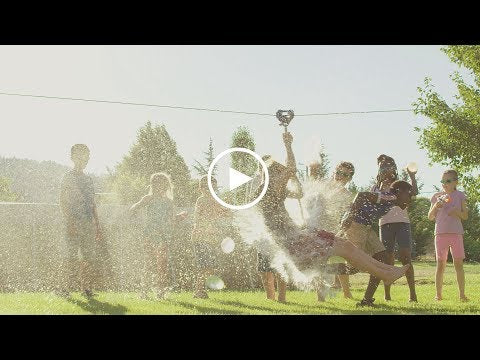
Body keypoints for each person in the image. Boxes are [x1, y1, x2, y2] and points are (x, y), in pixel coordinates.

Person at [253, 132, 410, 296]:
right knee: (346, 251)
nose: (282, 176)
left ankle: (388, 272)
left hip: (300, 237)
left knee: (347, 247)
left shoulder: (270, 191)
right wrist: (288, 145)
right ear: (270, 175)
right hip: (296, 243)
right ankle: (386, 274)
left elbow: (298, 192)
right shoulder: (268, 191)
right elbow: (291, 168)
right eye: (279, 174)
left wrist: (294, 179)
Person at [337, 177, 416, 307]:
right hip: (356, 225)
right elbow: (361, 195)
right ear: (399, 192)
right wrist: (349, 217)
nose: (410, 200)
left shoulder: (392, 200)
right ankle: (323, 269)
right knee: (354, 267)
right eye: (409, 195)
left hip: (366, 227)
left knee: (382, 258)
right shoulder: (390, 197)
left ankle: (367, 300)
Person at [130, 172, 186, 300]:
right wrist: (135, 209)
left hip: (163, 235)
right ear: (153, 185)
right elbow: (134, 207)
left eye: (163, 183)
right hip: (150, 234)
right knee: (149, 263)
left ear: (167, 185)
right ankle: (143, 291)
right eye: (157, 183)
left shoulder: (169, 202)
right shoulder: (148, 198)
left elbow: (171, 221)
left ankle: (160, 292)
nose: (160, 185)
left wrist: (180, 217)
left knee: (162, 264)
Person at [306, 161, 356, 300]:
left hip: (335, 230)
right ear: (333, 172)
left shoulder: (347, 194)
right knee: (318, 261)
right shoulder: (324, 186)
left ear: (350, 178)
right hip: (317, 227)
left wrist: (344, 228)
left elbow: (349, 213)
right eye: (338, 172)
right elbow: (312, 183)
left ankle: (347, 293)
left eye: (345, 175)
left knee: (339, 261)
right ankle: (320, 296)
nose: (340, 176)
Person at [372, 155, 419, 302]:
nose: (387, 170)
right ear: (379, 170)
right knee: (388, 259)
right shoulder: (376, 187)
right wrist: (380, 183)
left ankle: (413, 294)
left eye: (390, 167)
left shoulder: (400, 185)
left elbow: (414, 192)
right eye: (383, 167)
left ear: (395, 169)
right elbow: (373, 200)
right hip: (385, 225)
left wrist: (412, 176)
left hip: (402, 223)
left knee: (406, 257)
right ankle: (387, 294)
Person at [59, 144, 101, 298]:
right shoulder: (68, 177)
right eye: (79, 156)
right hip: (74, 222)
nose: (83, 159)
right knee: (70, 256)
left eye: (86, 156)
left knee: (88, 257)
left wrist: (97, 225)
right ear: (72, 157)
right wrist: (70, 222)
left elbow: (92, 203)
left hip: (88, 223)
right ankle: (64, 289)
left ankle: (86, 289)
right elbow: (63, 201)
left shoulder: (89, 179)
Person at [428, 170, 469, 302]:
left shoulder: (460, 195)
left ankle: (462, 295)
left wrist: (456, 211)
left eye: (448, 181)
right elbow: (430, 217)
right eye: (443, 181)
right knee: (440, 264)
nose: (444, 184)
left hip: (456, 233)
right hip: (440, 233)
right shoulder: (436, 196)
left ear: (455, 182)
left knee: (458, 263)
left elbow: (465, 216)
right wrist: (435, 206)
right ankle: (438, 295)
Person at [191, 176, 232, 299]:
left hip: (211, 239)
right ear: (201, 188)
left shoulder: (217, 200)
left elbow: (225, 213)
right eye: (206, 186)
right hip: (200, 238)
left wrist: (227, 209)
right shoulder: (202, 200)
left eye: (212, 186)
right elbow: (198, 218)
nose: (209, 189)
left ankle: (199, 290)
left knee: (210, 266)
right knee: (205, 265)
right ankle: (199, 291)